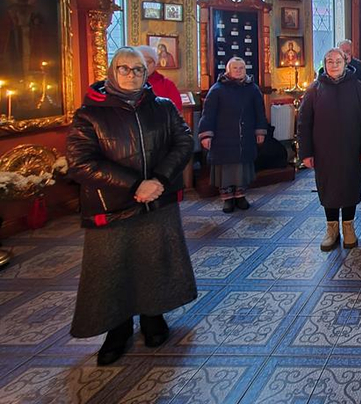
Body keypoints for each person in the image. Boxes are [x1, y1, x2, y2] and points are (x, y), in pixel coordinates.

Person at [66, 47, 195, 366]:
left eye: (138, 69)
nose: (132, 75)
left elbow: (183, 141)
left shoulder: (162, 107)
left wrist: (160, 179)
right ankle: (117, 329)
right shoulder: (90, 114)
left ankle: (154, 317)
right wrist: (135, 185)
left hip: (158, 200)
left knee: (155, 260)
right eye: (125, 69)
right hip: (111, 204)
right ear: (112, 71)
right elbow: (80, 162)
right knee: (112, 268)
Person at [298, 48, 361, 251]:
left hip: (352, 149)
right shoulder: (314, 89)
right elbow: (304, 123)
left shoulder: (358, 88)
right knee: (328, 189)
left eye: (338, 61)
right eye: (330, 61)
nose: (334, 65)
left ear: (345, 63)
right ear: (324, 64)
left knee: (350, 187)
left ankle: (349, 227)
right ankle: (331, 230)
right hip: (324, 151)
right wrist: (305, 153)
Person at [198, 57, 268, 213]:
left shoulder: (253, 89)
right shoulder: (217, 89)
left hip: (245, 136)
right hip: (223, 138)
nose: (238, 71)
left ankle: (240, 196)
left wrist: (260, 131)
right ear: (228, 70)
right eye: (235, 68)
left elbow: (260, 112)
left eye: (241, 68)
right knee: (225, 170)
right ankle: (227, 199)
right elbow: (208, 114)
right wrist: (206, 135)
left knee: (242, 168)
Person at [135, 45, 182, 112]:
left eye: (147, 62)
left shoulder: (167, 85)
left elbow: (175, 111)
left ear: (155, 63)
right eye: (139, 62)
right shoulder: (127, 83)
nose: (144, 66)